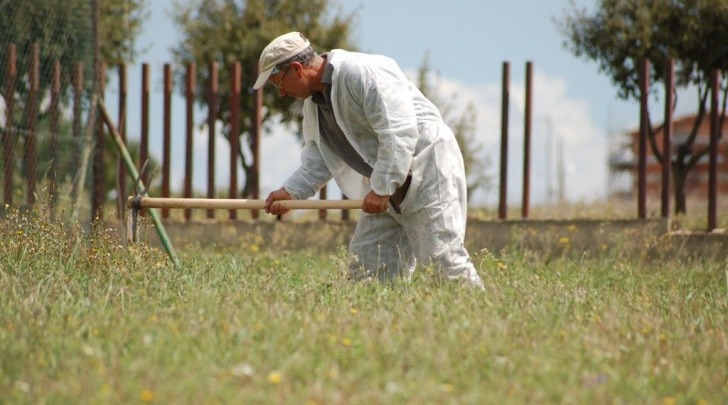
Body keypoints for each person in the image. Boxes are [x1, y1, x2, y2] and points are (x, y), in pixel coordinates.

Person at [254, 31, 483, 289]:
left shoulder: (360, 72)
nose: (282, 93)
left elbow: (399, 130)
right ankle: (376, 327)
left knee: (444, 262)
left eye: (278, 83)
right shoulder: (314, 105)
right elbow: (320, 158)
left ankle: (483, 322)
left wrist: (383, 187)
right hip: (384, 182)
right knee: (368, 271)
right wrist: (291, 192)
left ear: (296, 68)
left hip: (425, 166)